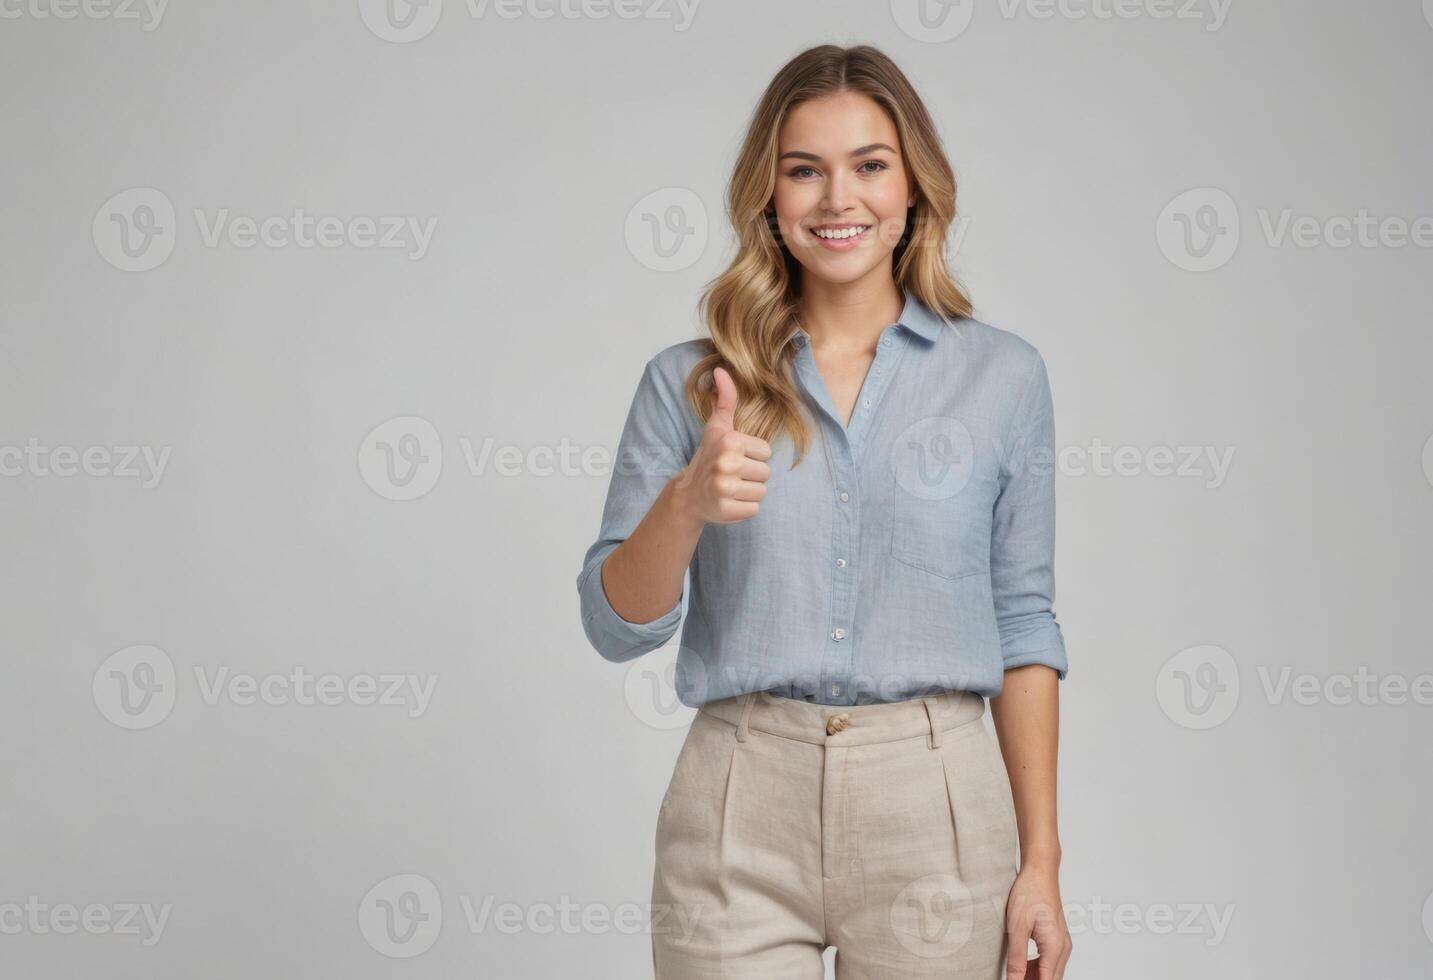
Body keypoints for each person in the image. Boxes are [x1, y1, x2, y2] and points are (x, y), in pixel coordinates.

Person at [576, 43, 1073, 980]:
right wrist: (687, 501)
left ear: (914, 186)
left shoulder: (1003, 378)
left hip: (937, 810)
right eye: (804, 171)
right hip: (737, 802)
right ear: (767, 195)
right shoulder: (687, 382)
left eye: (869, 166)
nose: (837, 200)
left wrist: (1040, 863)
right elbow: (614, 625)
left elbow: (1022, 623)